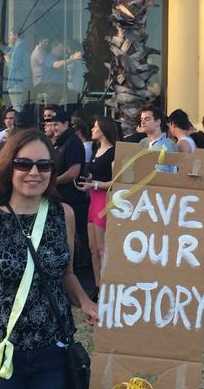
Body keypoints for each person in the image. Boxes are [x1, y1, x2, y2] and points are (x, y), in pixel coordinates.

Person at [0, 129, 97, 388]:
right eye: (24, 164)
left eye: (43, 165)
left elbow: (65, 274)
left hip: (53, 354)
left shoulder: (64, 216)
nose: (34, 172)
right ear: (8, 167)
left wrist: (85, 302)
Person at [76, 117, 118, 289]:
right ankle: (97, 285)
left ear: (103, 130)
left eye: (95, 127)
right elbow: (97, 175)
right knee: (93, 247)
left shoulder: (114, 152)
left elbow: (115, 182)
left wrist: (93, 184)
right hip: (93, 200)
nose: (92, 130)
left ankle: (108, 286)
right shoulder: (96, 149)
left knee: (102, 248)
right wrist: (89, 180)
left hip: (103, 200)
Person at [52, 111, 90, 270]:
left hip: (73, 198)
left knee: (75, 236)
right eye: (51, 124)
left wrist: (53, 181)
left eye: (56, 124)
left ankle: (78, 268)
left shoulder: (72, 143)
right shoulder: (60, 142)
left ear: (66, 124)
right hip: (61, 196)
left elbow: (74, 172)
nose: (53, 128)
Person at [139, 106, 177, 172]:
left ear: (158, 122)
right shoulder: (148, 143)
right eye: (141, 119)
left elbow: (160, 176)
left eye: (147, 119)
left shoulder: (162, 147)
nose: (142, 122)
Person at [4, 30, 31, 111]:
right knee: (20, 107)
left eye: (10, 35)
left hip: (16, 82)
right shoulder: (18, 47)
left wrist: (8, 60)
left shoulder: (20, 47)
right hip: (21, 81)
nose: (9, 38)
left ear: (16, 35)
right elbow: (5, 51)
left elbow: (15, 65)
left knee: (17, 107)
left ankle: (18, 123)